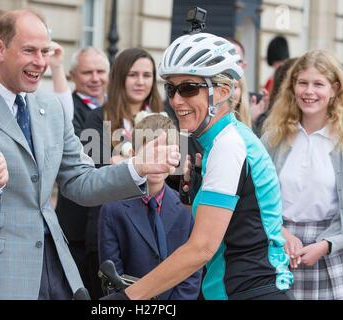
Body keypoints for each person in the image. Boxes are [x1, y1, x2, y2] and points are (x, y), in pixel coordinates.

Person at [0, 9, 179, 300]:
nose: (40, 62)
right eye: (29, 51)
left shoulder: (50, 108)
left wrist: (137, 167)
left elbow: (80, 181)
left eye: (45, 51)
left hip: (56, 269)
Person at [102, 32, 293, 301]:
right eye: (171, 88)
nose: (176, 100)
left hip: (247, 291)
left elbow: (201, 247)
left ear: (223, 92)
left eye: (189, 88)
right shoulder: (217, 143)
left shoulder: (229, 146)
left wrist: (127, 299)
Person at [261, 50, 343, 300]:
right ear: (293, 86)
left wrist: (327, 245)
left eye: (318, 84)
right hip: (280, 251)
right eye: (302, 82)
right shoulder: (273, 140)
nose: (309, 91)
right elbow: (255, 199)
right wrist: (281, 233)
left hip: (331, 253)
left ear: (334, 89)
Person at [79, 47, 164, 298]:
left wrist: (120, 160)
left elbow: (172, 169)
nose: (140, 82)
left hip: (151, 222)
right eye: (133, 75)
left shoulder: (164, 117)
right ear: (119, 78)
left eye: (147, 75)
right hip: (109, 223)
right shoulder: (98, 118)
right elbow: (92, 170)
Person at [99, 113, 202, 300]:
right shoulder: (112, 209)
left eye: (165, 153)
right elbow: (112, 276)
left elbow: (191, 274)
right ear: (133, 155)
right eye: (151, 153)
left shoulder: (184, 209)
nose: (158, 161)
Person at [54, 47, 110, 287]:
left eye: (100, 71)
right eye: (88, 72)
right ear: (72, 75)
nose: (95, 78)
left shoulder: (117, 108)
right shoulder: (66, 109)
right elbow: (83, 155)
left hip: (109, 224)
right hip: (76, 222)